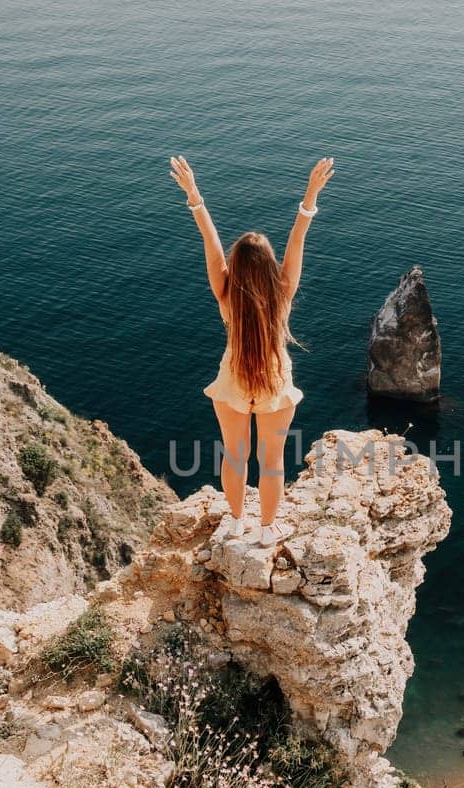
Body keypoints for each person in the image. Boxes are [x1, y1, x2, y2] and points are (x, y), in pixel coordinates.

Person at [169, 154, 334, 544]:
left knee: (234, 455)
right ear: (270, 265)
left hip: (232, 380)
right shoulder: (283, 293)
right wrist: (310, 194)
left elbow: (209, 242)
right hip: (276, 382)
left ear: (236, 267)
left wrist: (195, 195)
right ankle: (267, 528)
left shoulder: (226, 295)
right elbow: (298, 238)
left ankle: (237, 519)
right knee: (272, 461)